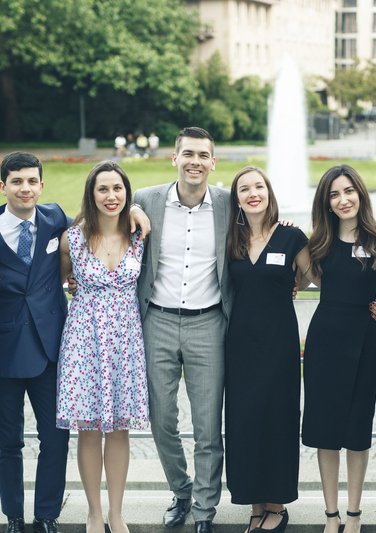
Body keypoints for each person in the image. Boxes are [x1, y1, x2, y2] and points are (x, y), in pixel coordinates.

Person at [0, 152, 150, 533]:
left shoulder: (56, 219)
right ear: (3, 186)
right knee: (8, 442)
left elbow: (101, 215)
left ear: (41, 186)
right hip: (1, 353)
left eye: (32, 181)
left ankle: (46, 515)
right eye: (17, 181)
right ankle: (13, 516)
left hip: (52, 349)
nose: (25, 188)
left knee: (56, 439)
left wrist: (135, 208)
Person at [131, 127, 230, 533]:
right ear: (174, 158)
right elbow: (96, 216)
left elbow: (266, 220)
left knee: (208, 427)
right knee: (160, 419)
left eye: (203, 155)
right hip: (157, 320)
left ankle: (205, 510)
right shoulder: (144, 200)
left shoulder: (229, 203)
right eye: (188, 153)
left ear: (213, 162)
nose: (195, 162)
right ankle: (181, 490)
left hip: (209, 323)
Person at [301, 164, 376, 533]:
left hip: (363, 343)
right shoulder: (316, 244)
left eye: (348, 191)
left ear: (360, 193)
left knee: (358, 432)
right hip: (323, 342)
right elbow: (299, 282)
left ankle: (354, 515)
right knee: (325, 433)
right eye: (334, 194)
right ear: (326, 202)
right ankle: (331, 516)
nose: (343, 200)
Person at [57, 161, 148, 533]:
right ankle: (94, 512)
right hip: (85, 341)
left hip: (126, 342)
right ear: (91, 194)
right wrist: (70, 286)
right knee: (89, 430)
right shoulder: (72, 239)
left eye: (118, 188)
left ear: (127, 192)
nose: (111, 196)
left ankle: (116, 512)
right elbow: (59, 281)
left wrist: (137, 210)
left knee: (120, 429)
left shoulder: (139, 234)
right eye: (103, 189)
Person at [224, 166, 311, 533]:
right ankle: (255, 504)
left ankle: (277, 504)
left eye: (259, 186)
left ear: (269, 192)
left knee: (277, 418)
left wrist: (293, 283)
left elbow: (311, 277)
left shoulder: (291, 236)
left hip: (279, 342)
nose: (253, 193)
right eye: (244, 189)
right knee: (244, 421)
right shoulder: (231, 237)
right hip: (240, 344)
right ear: (237, 199)